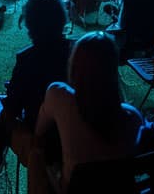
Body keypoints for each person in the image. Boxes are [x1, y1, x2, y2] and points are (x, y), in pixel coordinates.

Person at [29, 31, 146, 194]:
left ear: (74, 66)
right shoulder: (133, 118)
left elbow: (38, 133)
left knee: (36, 154)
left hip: (71, 188)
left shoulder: (59, 95)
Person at [4, 0, 73, 170]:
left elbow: (11, 111)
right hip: (78, 134)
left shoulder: (28, 59)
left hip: (43, 141)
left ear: (30, 22)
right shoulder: (79, 51)